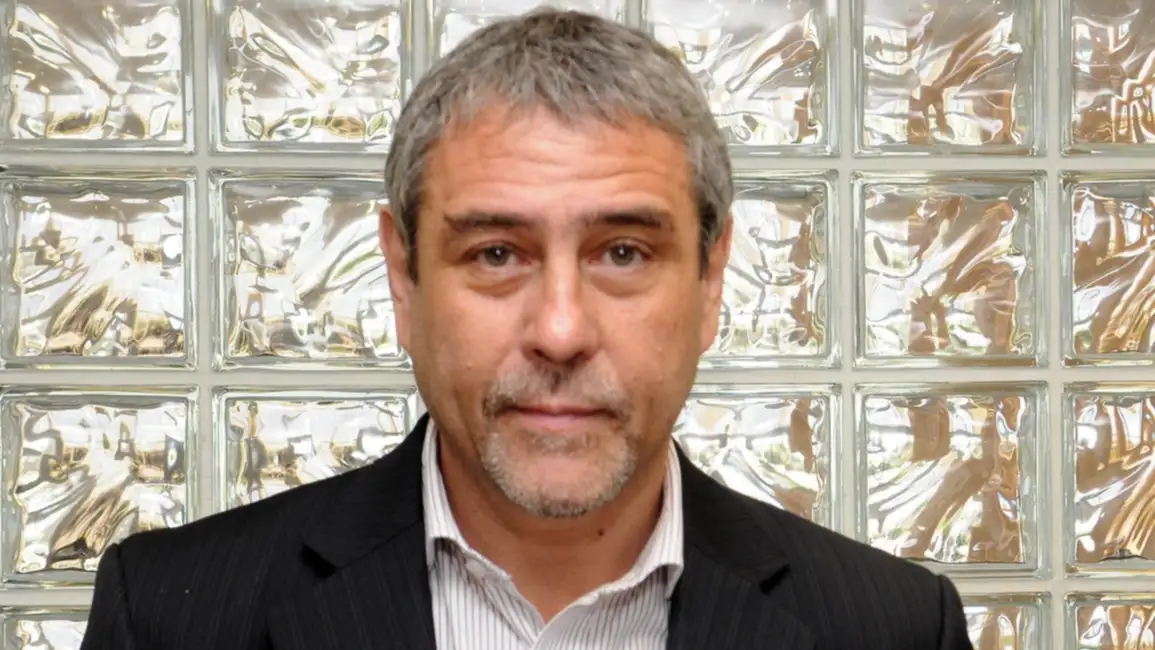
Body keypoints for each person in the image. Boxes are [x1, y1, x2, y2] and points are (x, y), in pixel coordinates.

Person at [81, 9, 974, 650]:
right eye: (497, 253)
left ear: (709, 280)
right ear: (403, 276)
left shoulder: (890, 627)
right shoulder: (168, 616)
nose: (559, 330)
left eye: (622, 252)